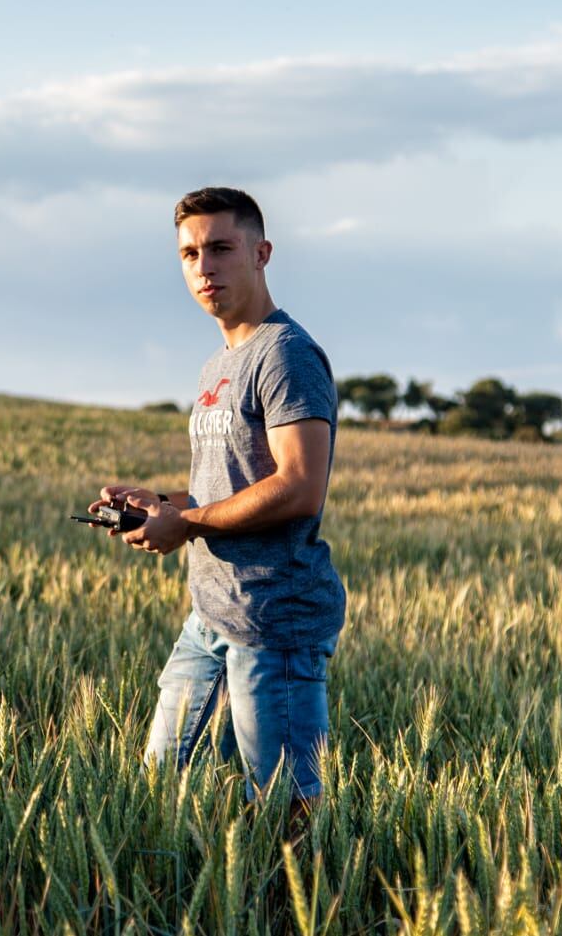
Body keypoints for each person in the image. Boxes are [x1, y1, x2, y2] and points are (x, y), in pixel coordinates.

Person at [89, 186, 344, 819]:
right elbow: (223, 489)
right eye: (189, 253)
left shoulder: (285, 355)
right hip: (210, 614)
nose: (204, 268)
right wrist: (158, 504)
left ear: (261, 253)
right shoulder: (217, 366)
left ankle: (300, 910)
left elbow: (299, 486)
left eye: (221, 248)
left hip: (273, 618)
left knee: (285, 808)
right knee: (159, 783)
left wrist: (187, 522)